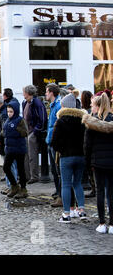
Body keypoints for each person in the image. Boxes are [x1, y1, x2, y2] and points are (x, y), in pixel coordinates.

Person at [50, 93, 87, 223]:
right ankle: (81, 210)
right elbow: (86, 140)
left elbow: (53, 142)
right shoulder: (82, 121)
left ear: (64, 106)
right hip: (80, 156)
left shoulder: (61, 121)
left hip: (66, 157)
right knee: (77, 183)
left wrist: (62, 150)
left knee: (66, 184)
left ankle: (66, 214)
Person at [83, 93, 113, 234]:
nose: (91, 107)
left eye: (92, 105)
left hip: (98, 162)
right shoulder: (112, 120)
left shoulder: (92, 123)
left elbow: (87, 146)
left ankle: (102, 223)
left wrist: (88, 163)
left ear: (97, 106)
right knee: (111, 193)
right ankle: (112, 224)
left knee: (100, 192)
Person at [0, 100, 28, 198]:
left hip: (19, 148)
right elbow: (4, 132)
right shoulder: (7, 120)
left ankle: (23, 189)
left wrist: (14, 131)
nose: (9, 114)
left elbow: (25, 132)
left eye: (11, 112)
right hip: (10, 148)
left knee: (21, 169)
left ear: (15, 111)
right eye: (8, 112)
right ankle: (14, 185)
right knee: (6, 167)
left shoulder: (20, 120)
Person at [0, 93, 18, 195]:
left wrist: (0, 140)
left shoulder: (3, 114)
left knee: (10, 166)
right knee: (9, 166)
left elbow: (5, 130)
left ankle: (12, 186)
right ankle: (10, 186)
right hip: (7, 144)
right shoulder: (2, 112)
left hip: (6, 144)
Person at [22, 85, 48, 184]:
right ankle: (27, 175)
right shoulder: (25, 103)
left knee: (32, 155)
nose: (23, 94)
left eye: (24, 92)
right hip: (27, 131)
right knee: (26, 155)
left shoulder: (37, 103)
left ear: (28, 93)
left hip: (33, 132)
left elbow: (42, 119)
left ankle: (34, 176)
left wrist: (36, 131)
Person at [45, 83, 62, 205]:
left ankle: (61, 196)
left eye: (46, 91)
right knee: (54, 170)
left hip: (55, 142)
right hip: (50, 141)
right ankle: (58, 192)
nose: (45, 94)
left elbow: (57, 125)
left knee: (57, 170)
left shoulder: (58, 106)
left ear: (51, 92)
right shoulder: (52, 105)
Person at [81, 90, 96, 198]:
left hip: (85, 142)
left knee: (90, 167)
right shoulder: (91, 112)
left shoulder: (84, 113)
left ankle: (94, 188)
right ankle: (94, 188)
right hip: (88, 142)